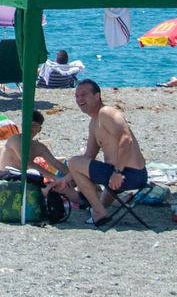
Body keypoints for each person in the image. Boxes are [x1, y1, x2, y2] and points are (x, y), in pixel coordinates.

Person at [62, 80, 149, 228]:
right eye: (76, 96)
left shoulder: (106, 113)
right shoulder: (94, 123)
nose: (79, 99)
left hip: (128, 174)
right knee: (79, 167)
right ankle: (98, 208)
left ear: (97, 96)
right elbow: (89, 156)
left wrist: (117, 172)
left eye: (84, 94)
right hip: (117, 175)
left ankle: (99, 212)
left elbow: (125, 140)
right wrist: (65, 180)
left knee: (73, 161)